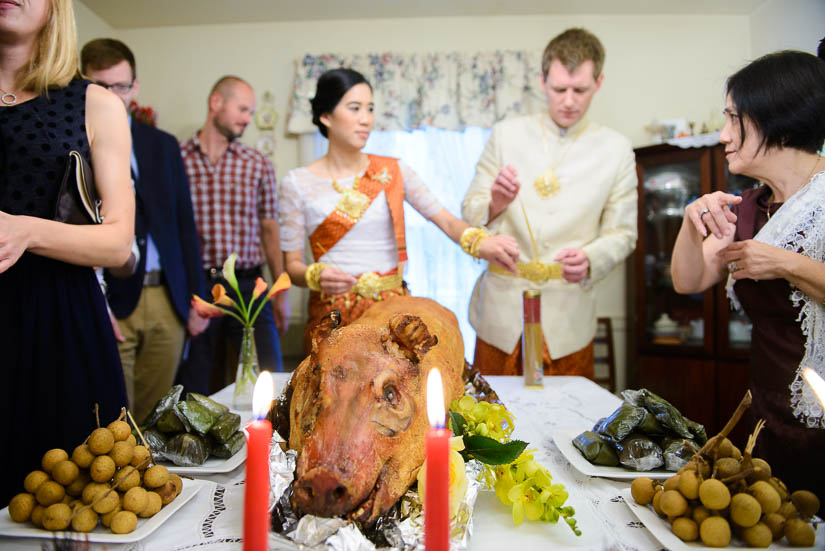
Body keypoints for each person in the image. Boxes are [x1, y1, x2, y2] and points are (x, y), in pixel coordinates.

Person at [670, 51, 825, 510]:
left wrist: (784, 263)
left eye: (735, 119)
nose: (722, 135)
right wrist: (688, 222)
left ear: (779, 118)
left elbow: (779, 265)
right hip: (766, 411)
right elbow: (688, 280)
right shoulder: (750, 207)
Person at [278, 68, 519, 352]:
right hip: (332, 315)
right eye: (354, 108)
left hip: (391, 312)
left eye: (370, 109)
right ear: (326, 116)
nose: (366, 119)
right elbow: (291, 266)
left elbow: (444, 219)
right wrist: (313, 276)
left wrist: (481, 243)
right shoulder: (296, 183)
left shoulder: (394, 170)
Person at [0, 0, 132, 506]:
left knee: (71, 500)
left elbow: (118, 240)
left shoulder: (94, 102)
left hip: (58, 320)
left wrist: (26, 231)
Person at [461, 28, 637, 377]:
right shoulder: (505, 134)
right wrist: (496, 201)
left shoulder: (616, 149)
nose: (569, 101)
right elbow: (469, 210)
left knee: (571, 424)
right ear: (542, 81)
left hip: (568, 318)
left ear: (598, 83)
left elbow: (623, 233)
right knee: (488, 420)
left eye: (580, 90)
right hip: (500, 315)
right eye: (559, 89)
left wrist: (590, 258)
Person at [81, 38, 208, 422]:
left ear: (134, 86)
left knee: (157, 417)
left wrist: (196, 298)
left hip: (168, 298)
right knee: (113, 417)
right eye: (100, 87)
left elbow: (185, 224)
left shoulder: (163, 145)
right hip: (109, 299)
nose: (112, 96)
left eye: (120, 86)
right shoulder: (73, 143)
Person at [177, 76, 287, 394]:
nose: (247, 119)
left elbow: (269, 228)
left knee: (272, 376)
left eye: (251, 112)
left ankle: (273, 443)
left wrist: (280, 291)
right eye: (242, 109)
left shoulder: (257, 164)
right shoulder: (178, 159)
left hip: (249, 286)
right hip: (198, 286)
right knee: (192, 384)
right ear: (216, 103)